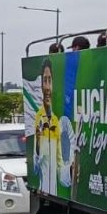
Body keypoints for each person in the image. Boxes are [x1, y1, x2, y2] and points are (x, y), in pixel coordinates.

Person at [32, 58, 61, 196]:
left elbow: (60, 167)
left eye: (50, 80)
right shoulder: (38, 118)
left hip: (54, 191)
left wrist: (71, 167)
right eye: (45, 81)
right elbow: (36, 167)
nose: (48, 87)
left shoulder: (56, 120)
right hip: (43, 188)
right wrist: (38, 142)